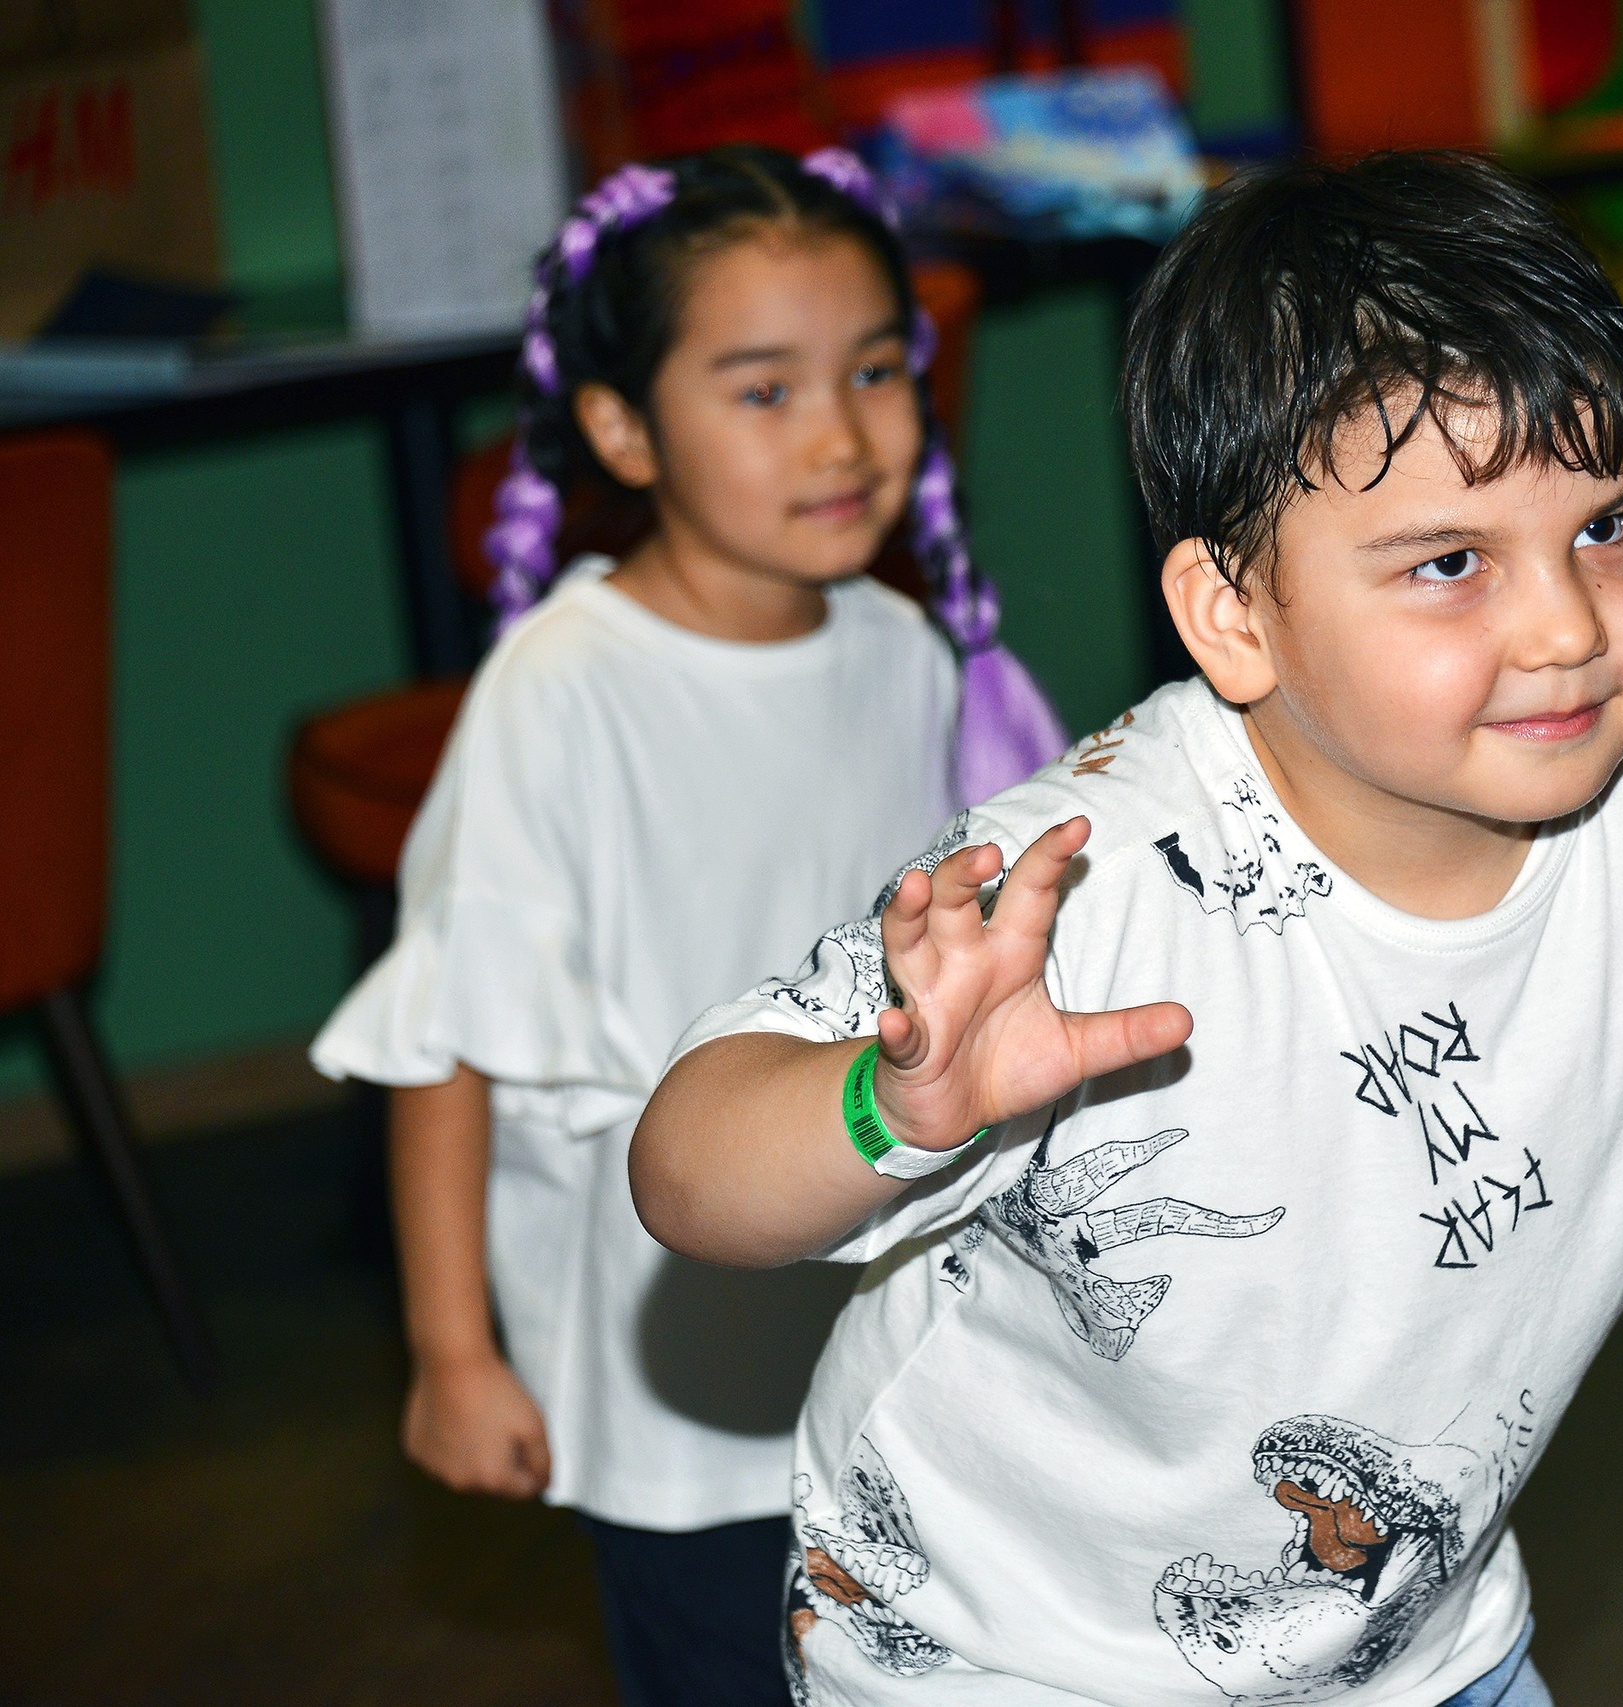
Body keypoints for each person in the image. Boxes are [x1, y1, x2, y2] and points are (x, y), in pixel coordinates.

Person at [630, 152, 1623, 1707]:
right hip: (999, 1666)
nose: (1565, 627)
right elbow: (686, 1171)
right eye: (1452, 564)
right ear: (1234, 616)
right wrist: (897, 1098)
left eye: (1610, 526)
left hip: (1417, 1651)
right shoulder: (1079, 891)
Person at [310, 144, 1064, 1707]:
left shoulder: (905, 656)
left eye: (873, 368)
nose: (842, 433)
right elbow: (448, 1035)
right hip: (676, 1399)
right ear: (620, 427)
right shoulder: (564, 688)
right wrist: (454, 1353)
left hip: (882, 1339)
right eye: (763, 388)